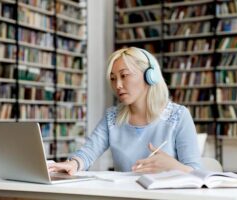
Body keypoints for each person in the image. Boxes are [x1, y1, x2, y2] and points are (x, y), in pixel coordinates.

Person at [48, 47, 201, 175]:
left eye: (124, 75)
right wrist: (73, 164)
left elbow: (197, 172)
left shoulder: (179, 116)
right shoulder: (112, 117)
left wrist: (173, 166)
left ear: (150, 76)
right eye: (113, 78)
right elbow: (87, 153)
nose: (118, 85)